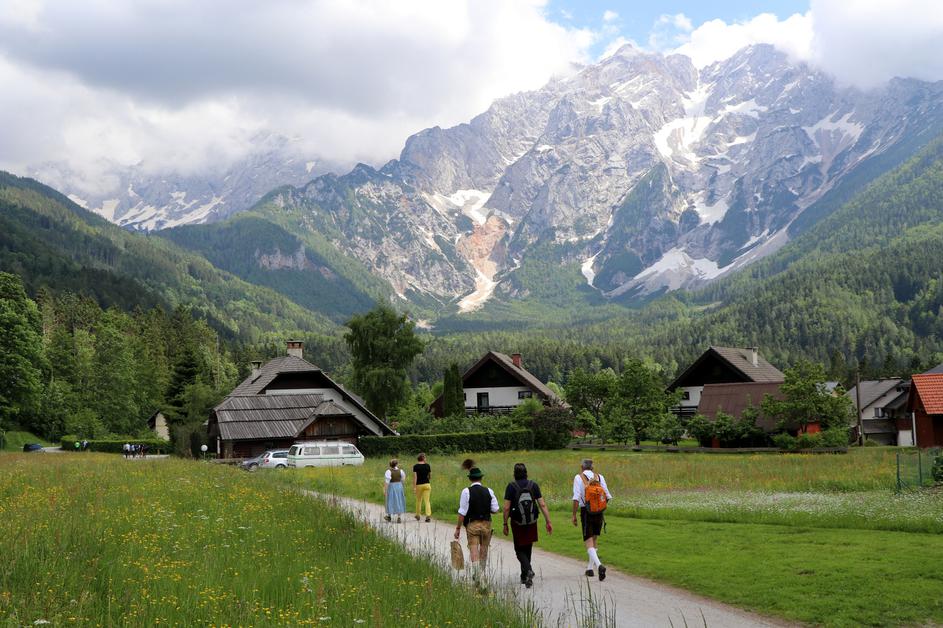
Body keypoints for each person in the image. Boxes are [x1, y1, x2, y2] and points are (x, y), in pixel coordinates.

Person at [502, 463, 552, 588]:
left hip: (517, 522)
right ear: (526, 472)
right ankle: (524, 576)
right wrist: (548, 521)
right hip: (531, 521)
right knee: (528, 546)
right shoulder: (533, 485)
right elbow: (542, 505)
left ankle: (528, 571)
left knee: (519, 549)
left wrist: (505, 523)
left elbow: (506, 507)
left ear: (514, 473)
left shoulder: (511, 486)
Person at [572, 458, 612, 581]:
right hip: (599, 512)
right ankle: (590, 569)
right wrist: (599, 507)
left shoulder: (579, 477)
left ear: (581, 467)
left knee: (588, 540)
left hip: (586, 512)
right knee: (594, 538)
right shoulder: (599, 477)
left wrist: (574, 514)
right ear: (592, 468)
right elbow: (607, 496)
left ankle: (599, 566)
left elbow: (576, 498)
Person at [454, 464, 499, 574]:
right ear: (481, 478)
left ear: (470, 478)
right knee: (484, 549)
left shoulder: (466, 491)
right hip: (486, 524)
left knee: (473, 549)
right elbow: (495, 509)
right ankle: (482, 573)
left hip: (472, 524)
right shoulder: (489, 491)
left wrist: (458, 528)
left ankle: (477, 575)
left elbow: (462, 512)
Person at [413, 452, 432, 522]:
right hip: (427, 485)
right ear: (423, 458)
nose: (426, 458)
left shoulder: (415, 466)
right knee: (427, 501)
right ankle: (428, 516)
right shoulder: (428, 466)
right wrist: (427, 480)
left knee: (419, 500)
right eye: (425, 457)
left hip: (419, 485)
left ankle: (418, 515)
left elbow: (415, 478)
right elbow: (430, 476)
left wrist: (414, 487)